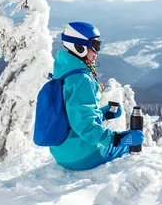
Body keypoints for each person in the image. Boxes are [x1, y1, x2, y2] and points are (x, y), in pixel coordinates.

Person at [49, 21, 144, 170]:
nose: (97, 51)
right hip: (83, 156)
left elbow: (71, 114)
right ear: (79, 47)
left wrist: (101, 114)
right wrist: (117, 139)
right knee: (132, 146)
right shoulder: (81, 79)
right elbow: (85, 126)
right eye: (95, 46)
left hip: (62, 153)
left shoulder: (62, 72)